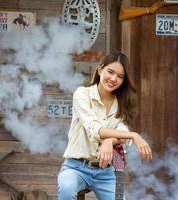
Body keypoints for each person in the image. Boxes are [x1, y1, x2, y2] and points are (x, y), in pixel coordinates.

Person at [57, 51, 152, 200]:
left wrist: (109, 141)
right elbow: (94, 129)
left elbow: (122, 134)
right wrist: (134, 135)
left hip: (105, 172)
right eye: (110, 72)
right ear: (101, 69)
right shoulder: (82, 94)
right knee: (67, 189)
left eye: (120, 76)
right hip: (76, 167)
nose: (114, 79)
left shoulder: (121, 105)